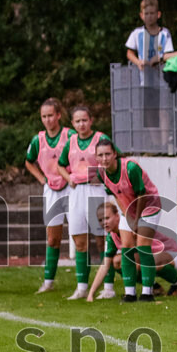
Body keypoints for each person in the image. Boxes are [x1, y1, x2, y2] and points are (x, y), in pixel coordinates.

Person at [93, 138, 164, 302]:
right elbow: (116, 195)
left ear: (115, 154)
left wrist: (136, 221)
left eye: (107, 154)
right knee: (127, 246)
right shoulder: (101, 172)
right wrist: (127, 216)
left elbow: (142, 195)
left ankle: (147, 292)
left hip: (148, 206)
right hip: (129, 209)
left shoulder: (130, 168)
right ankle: (130, 293)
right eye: (100, 155)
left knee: (143, 245)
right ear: (96, 157)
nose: (104, 159)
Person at [56, 105, 111, 300]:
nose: (81, 124)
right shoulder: (70, 142)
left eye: (84, 120)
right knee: (79, 239)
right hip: (76, 191)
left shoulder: (100, 139)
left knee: (102, 239)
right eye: (77, 121)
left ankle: (108, 286)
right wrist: (67, 178)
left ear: (91, 120)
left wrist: (102, 175)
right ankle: (82, 287)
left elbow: (115, 158)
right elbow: (60, 164)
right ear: (72, 124)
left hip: (95, 189)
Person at [87, 202, 177, 301]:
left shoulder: (131, 228)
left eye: (107, 218)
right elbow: (105, 265)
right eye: (100, 220)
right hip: (156, 258)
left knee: (139, 261)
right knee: (118, 261)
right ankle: (155, 287)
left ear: (117, 216)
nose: (104, 222)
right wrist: (91, 293)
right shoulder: (111, 237)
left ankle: (176, 284)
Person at [24, 98, 74, 294]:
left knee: (80, 235)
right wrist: (42, 179)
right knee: (53, 238)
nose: (47, 120)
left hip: (71, 186)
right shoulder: (38, 140)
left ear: (59, 115)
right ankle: (48, 280)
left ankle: (85, 284)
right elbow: (28, 162)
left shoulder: (69, 135)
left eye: (50, 115)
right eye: (44, 116)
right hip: (51, 188)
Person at [125, 0, 173, 140]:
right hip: (144, 80)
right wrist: (138, 62)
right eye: (146, 14)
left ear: (158, 14)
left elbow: (169, 53)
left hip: (161, 79)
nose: (149, 17)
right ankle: (155, 143)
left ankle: (165, 143)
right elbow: (129, 52)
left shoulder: (164, 33)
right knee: (150, 112)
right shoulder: (137, 33)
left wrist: (159, 59)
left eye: (152, 13)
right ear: (141, 15)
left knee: (163, 111)